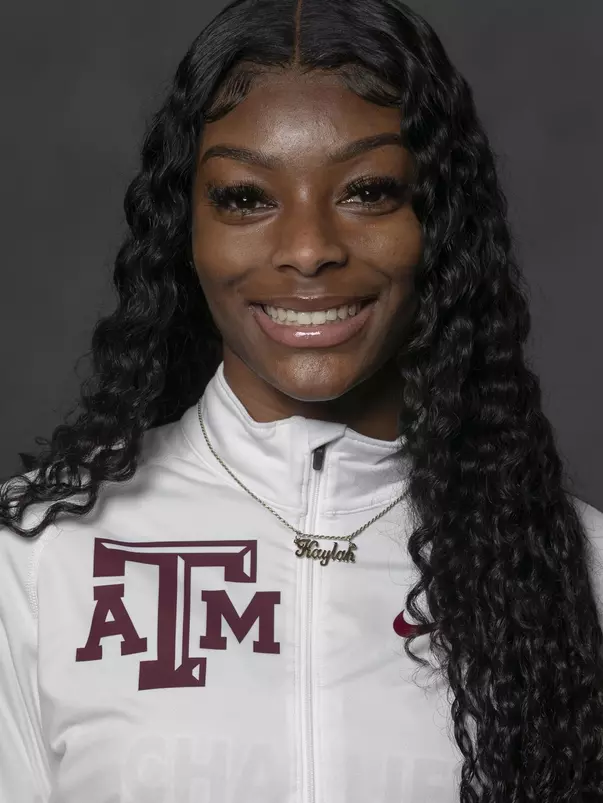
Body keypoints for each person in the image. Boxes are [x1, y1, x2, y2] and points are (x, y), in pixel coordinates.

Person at [1, 0, 602, 801]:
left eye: (368, 190)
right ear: (187, 229)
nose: (310, 248)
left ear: (440, 223)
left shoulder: (579, 571)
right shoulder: (40, 555)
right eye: (247, 197)